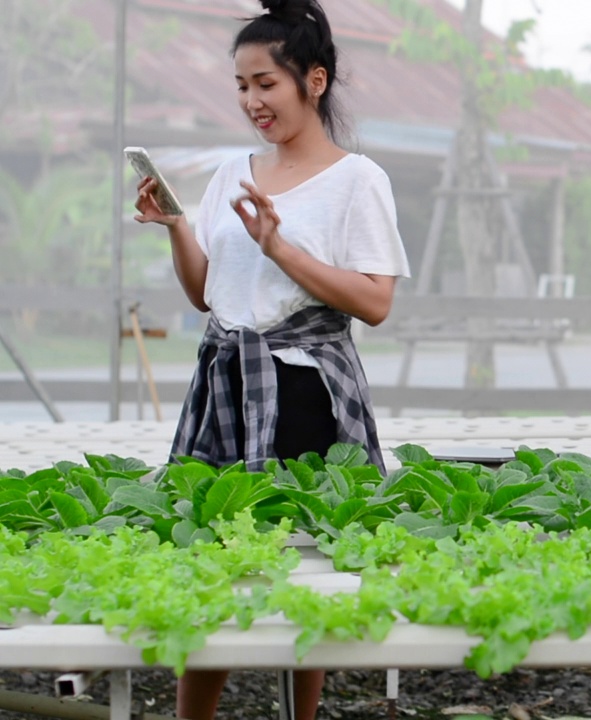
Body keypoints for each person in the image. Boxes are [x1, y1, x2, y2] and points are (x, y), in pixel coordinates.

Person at [132, 0, 410, 717]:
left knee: (305, 569)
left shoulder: (357, 181)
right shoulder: (232, 172)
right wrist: (176, 226)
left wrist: (281, 248)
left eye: (267, 84)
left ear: (314, 80)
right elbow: (206, 295)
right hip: (225, 385)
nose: (253, 101)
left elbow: (374, 302)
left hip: (304, 396)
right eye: (242, 86)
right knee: (209, 562)